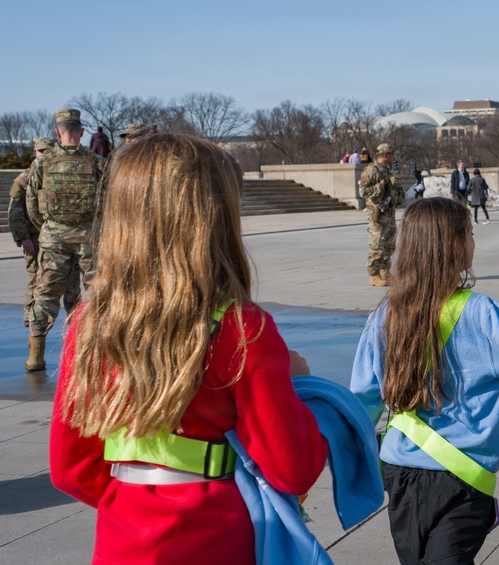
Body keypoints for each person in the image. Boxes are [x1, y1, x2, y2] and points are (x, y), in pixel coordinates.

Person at [49, 134, 327, 565]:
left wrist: (139, 499)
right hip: (218, 535)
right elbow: (293, 469)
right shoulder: (241, 328)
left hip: (121, 536)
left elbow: (71, 470)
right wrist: (300, 383)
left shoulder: (87, 324)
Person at [351, 197, 499, 565]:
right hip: (460, 476)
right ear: (454, 245)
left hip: (400, 471)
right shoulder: (478, 312)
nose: (473, 241)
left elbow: (363, 397)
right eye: (468, 234)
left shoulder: (386, 314)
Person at [24, 109, 107, 372]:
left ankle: (36, 356)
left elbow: (32, 205)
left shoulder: (42, 163)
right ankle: (94, 352)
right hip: (89, 237)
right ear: (81, 132)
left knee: (45, 294)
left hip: (54, 238)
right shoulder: (98, 163)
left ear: (57, 132)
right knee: (97, 293)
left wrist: (49, 228)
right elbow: (106, 202)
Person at [8, 137, 81, 329]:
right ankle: (31, 319)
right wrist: (23, 238)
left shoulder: (58, 176)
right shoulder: (24, 179)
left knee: (70, 280)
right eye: (41, 151)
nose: (44, 155)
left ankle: (74, 320)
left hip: (57, 238)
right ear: (35, 153)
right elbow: (15, 211)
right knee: (36, 279)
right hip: (34, 237)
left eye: (48, 151)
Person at [360, 143, 404, 287]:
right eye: (391, 155)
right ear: (385, 155)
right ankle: (374, 275)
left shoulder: (386, 171)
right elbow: (363, 192)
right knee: (377, 245)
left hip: (389, 215)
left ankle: (385, 271)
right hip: (378, 216)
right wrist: (380, 186)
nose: (393, 157)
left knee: (389, 245)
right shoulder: (371, 170)